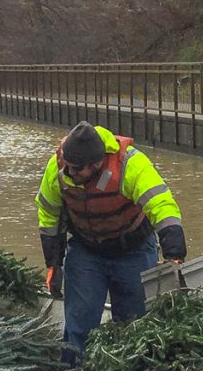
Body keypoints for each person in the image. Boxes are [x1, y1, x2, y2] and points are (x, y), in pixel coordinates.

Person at [36, 121, 186, 353]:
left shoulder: (130, 164)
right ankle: (76, 370)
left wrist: (174, 252)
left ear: (96, 164)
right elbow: (48, 215)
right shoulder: (58, 168)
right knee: (80, 322)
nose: (70, 173)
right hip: (86, 251)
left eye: (76, 170)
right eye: (68, 167)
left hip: (133, 249)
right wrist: (53, 264)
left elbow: (161, 204)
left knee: (135, 322)